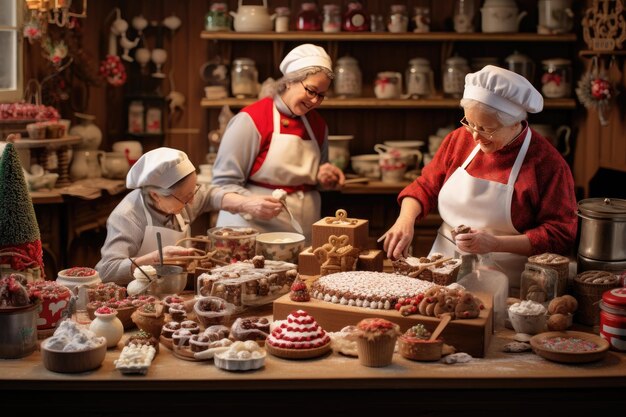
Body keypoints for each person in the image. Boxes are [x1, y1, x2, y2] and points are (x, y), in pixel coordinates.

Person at [381, 65, 578, 292]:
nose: (475, 136)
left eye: (486, 129)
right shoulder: (459, 140)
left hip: (511, 283)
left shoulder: (547, 163)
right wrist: (405, 220)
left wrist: (495, 243)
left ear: (515, 122)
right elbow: (425, 185)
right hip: (442, 268)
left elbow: (561, 233)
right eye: (469, 123)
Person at [211, 43, 345, 243]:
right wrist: (249, 204)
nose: (315, 101)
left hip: (303, 231)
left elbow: (314, 180)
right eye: (311, 91)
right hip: (251, 231)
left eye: (321, 95)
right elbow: (222, 184)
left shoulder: (317, 124)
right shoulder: (252, 119)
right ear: (290, 81)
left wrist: (324, 178)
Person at [95, 147, 282, 284]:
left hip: (178, 288)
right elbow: (106, 271)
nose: (192, 202)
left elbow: (211, 195)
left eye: (194, 191)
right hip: (142, 296)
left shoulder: (182, 195)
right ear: (155, 195)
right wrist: (155, 258)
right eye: (186, 197)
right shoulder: (127, 216)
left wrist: (247, 204)